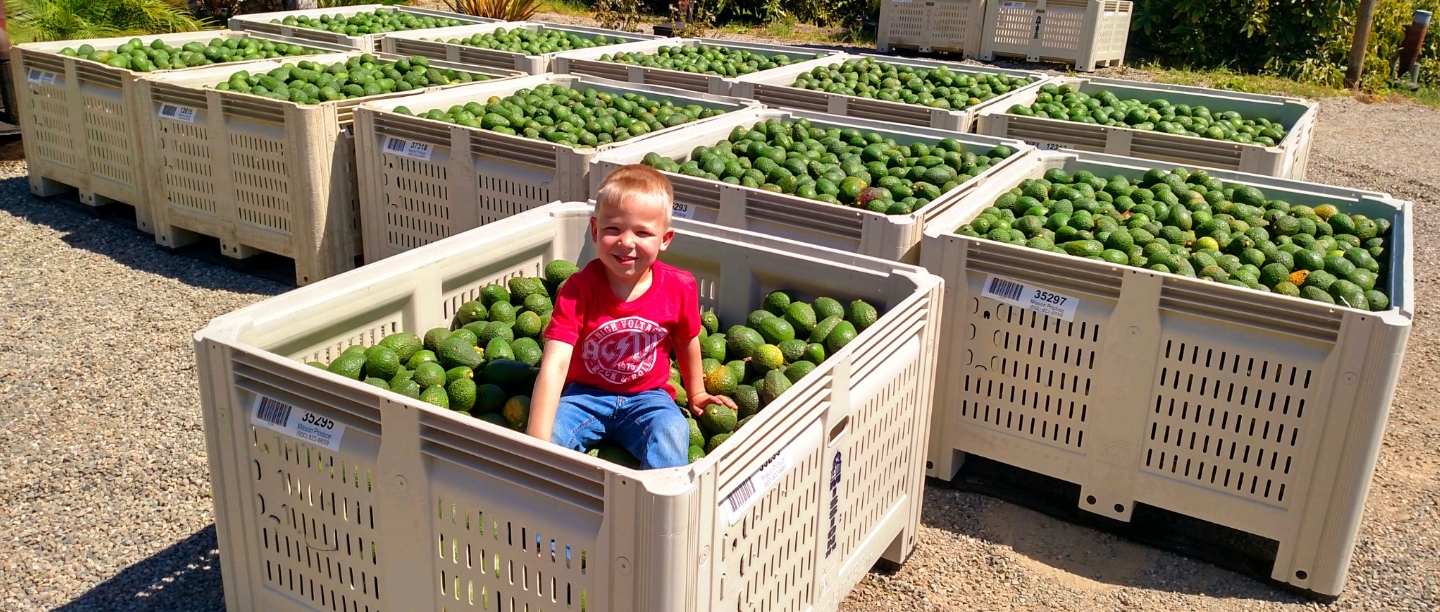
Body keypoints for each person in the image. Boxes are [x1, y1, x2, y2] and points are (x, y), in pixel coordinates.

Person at [526, 164, 736, 469]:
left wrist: (698, 392)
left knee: (672, 430)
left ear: (665, 239)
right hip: (584, 396)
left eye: (642, 232)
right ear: (595, 231)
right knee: (550, 430)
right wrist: (536, 441)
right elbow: (556, 363)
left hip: (649, 397)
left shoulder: (680, 286)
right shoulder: (578, 288)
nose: (626, 242)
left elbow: (686, 339)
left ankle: (656, 510)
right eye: (614, 229)